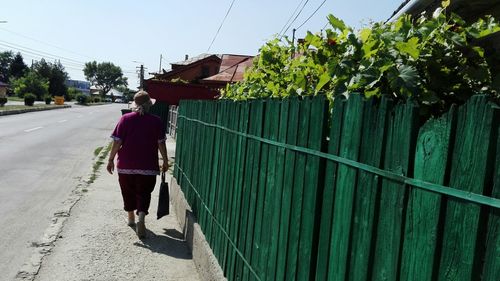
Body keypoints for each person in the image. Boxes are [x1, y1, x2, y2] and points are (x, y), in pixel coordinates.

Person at [106, 90, 168, 239]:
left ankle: (131, 219)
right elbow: (161, 143)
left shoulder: (125, 119)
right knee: (144, 193)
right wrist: (165, 160)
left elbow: (117, 142)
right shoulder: (156, 121)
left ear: (134, 104)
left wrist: (110, 159)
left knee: (127, 191)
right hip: (148, 166)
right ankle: (141, 219)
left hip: (126, 165)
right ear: (149, 105)